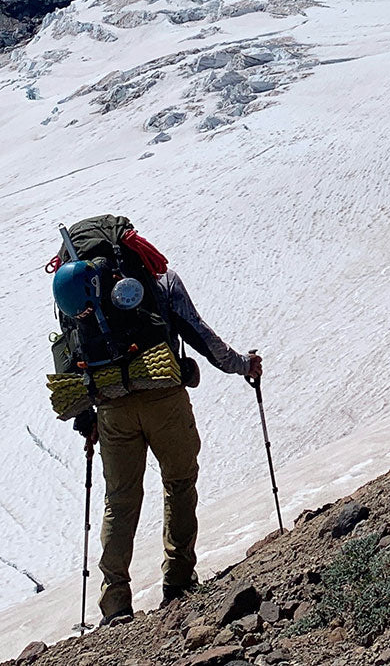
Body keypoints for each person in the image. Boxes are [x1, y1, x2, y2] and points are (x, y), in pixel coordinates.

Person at [70, 266, 262, 626]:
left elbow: (70, 359)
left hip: (112, 410)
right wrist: (242, 365)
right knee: (179, 482)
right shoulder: (159, 280)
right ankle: (178, 580)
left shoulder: (77, 292)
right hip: (164, 398)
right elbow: (199, 334)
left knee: (120, 499)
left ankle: (115, 602)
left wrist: (87, 418)